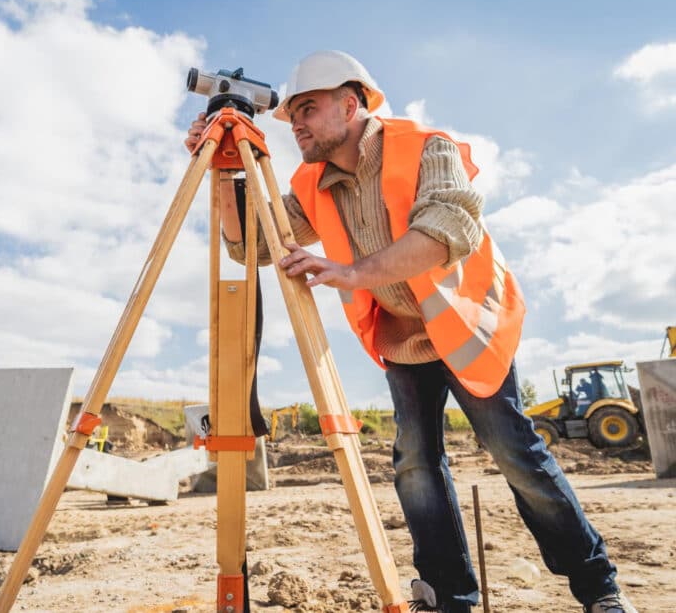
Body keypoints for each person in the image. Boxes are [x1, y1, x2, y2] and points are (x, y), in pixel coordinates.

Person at [184, 50, 636, 613]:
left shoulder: (427, 147)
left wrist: (353, 272)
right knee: (415, 463)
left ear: (350, 105)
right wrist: (226, 170)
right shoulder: (312, 180)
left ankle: (599, 590)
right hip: (402, 338)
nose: (295, 122)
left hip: (467, 326)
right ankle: (449, 596)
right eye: (291, 113)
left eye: (308, 108)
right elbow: (249, 243)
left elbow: (447, 229)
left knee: (515, 453)